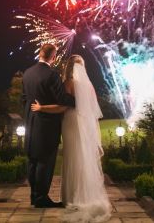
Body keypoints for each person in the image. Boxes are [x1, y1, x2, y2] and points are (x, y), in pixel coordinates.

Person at [31, 54, 112, 222]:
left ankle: (73, 196)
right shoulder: (89, 86)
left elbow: (62, 107)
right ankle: (86, 194)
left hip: (71, 122)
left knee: (72, 156)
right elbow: (92, 108)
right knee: (83, 156)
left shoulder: (69, 83)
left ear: (69, 67)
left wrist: (42, 107)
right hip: (85, 122)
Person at [22, 44, 75, 208]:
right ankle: (41, 198)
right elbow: (61, 99)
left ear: (40, 53)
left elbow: (24, 99)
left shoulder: (27, 73)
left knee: (33, 161)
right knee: (45, 161)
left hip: (31, 123)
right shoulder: (52, 75)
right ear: (53, 56)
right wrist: (79, 101)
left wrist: (31, 115)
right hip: (47, 126)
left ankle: (34, 196)